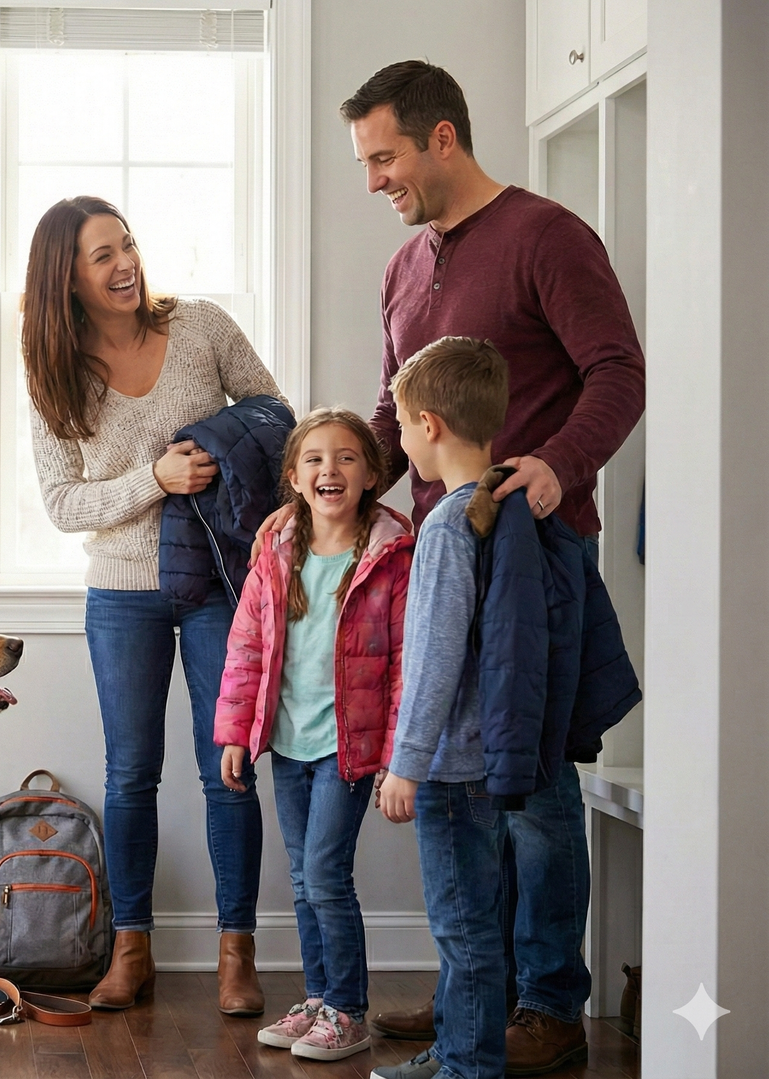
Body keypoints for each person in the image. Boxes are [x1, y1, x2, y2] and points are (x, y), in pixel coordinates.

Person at [258, 60, 645, 1075]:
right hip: (436, 556)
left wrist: (558, 467)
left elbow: (615, 369)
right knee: (464, 783)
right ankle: (475, 996)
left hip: (533, 550)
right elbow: (394, 419)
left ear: (441, 138)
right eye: (363, 161)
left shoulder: (545, 238)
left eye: (383, 156)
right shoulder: (402, 270)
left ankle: (547, 1002)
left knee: (532, 782)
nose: (373, 178)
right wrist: (328, 496)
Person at [25, 196, 288, 1015]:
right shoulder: (53, 375)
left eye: (126, 245)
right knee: (130, 776)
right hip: (121, 594)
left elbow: (278, 415)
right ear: (64, 281)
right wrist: (156, 479)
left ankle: (235, 954)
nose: (123, 264)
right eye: (101, 256)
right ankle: (129, 948)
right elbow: (62, 502)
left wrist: (215, 447)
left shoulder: (202, 327)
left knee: (229, 771)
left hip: (216, 583)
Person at [214, 407, 413, 1062]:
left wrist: (394, 755)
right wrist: (237, 731)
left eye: (347, 456)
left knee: (325, 871)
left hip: (346, 746)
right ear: (295, 476)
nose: (330, 468)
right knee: (302, 877)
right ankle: (320, 997)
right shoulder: (275, 551)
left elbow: (404, 664)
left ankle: (349, 1008)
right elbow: (246, 648)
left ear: (371, 474)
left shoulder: (390, 554)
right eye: (315, 458)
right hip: (288, 742)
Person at [373, 337, 513, 1079]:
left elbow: (433, 658)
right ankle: (463, 1053)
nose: (397, 441)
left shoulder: (445, 525)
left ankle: (466, 1067)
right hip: (491, 755)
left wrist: (406, 762)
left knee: (461, 929)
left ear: (428, 424)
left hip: (452, 766)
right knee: (479, 926)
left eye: (397, 426)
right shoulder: (501, 501)